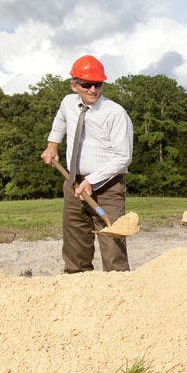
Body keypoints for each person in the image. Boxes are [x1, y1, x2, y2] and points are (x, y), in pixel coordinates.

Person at [40, 55, 133, 273]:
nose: (93, 89)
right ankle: (77, 287)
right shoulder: (68, 103)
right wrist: (52, 146)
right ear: (74, 85)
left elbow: (123, 157)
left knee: (113, 250)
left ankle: (119, 294)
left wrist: (91, 180)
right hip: (72, 182)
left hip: (108, 186)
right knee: (75, 248)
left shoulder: (115, 113)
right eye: (86, 84)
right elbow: (60, 121)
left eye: (98, 84)